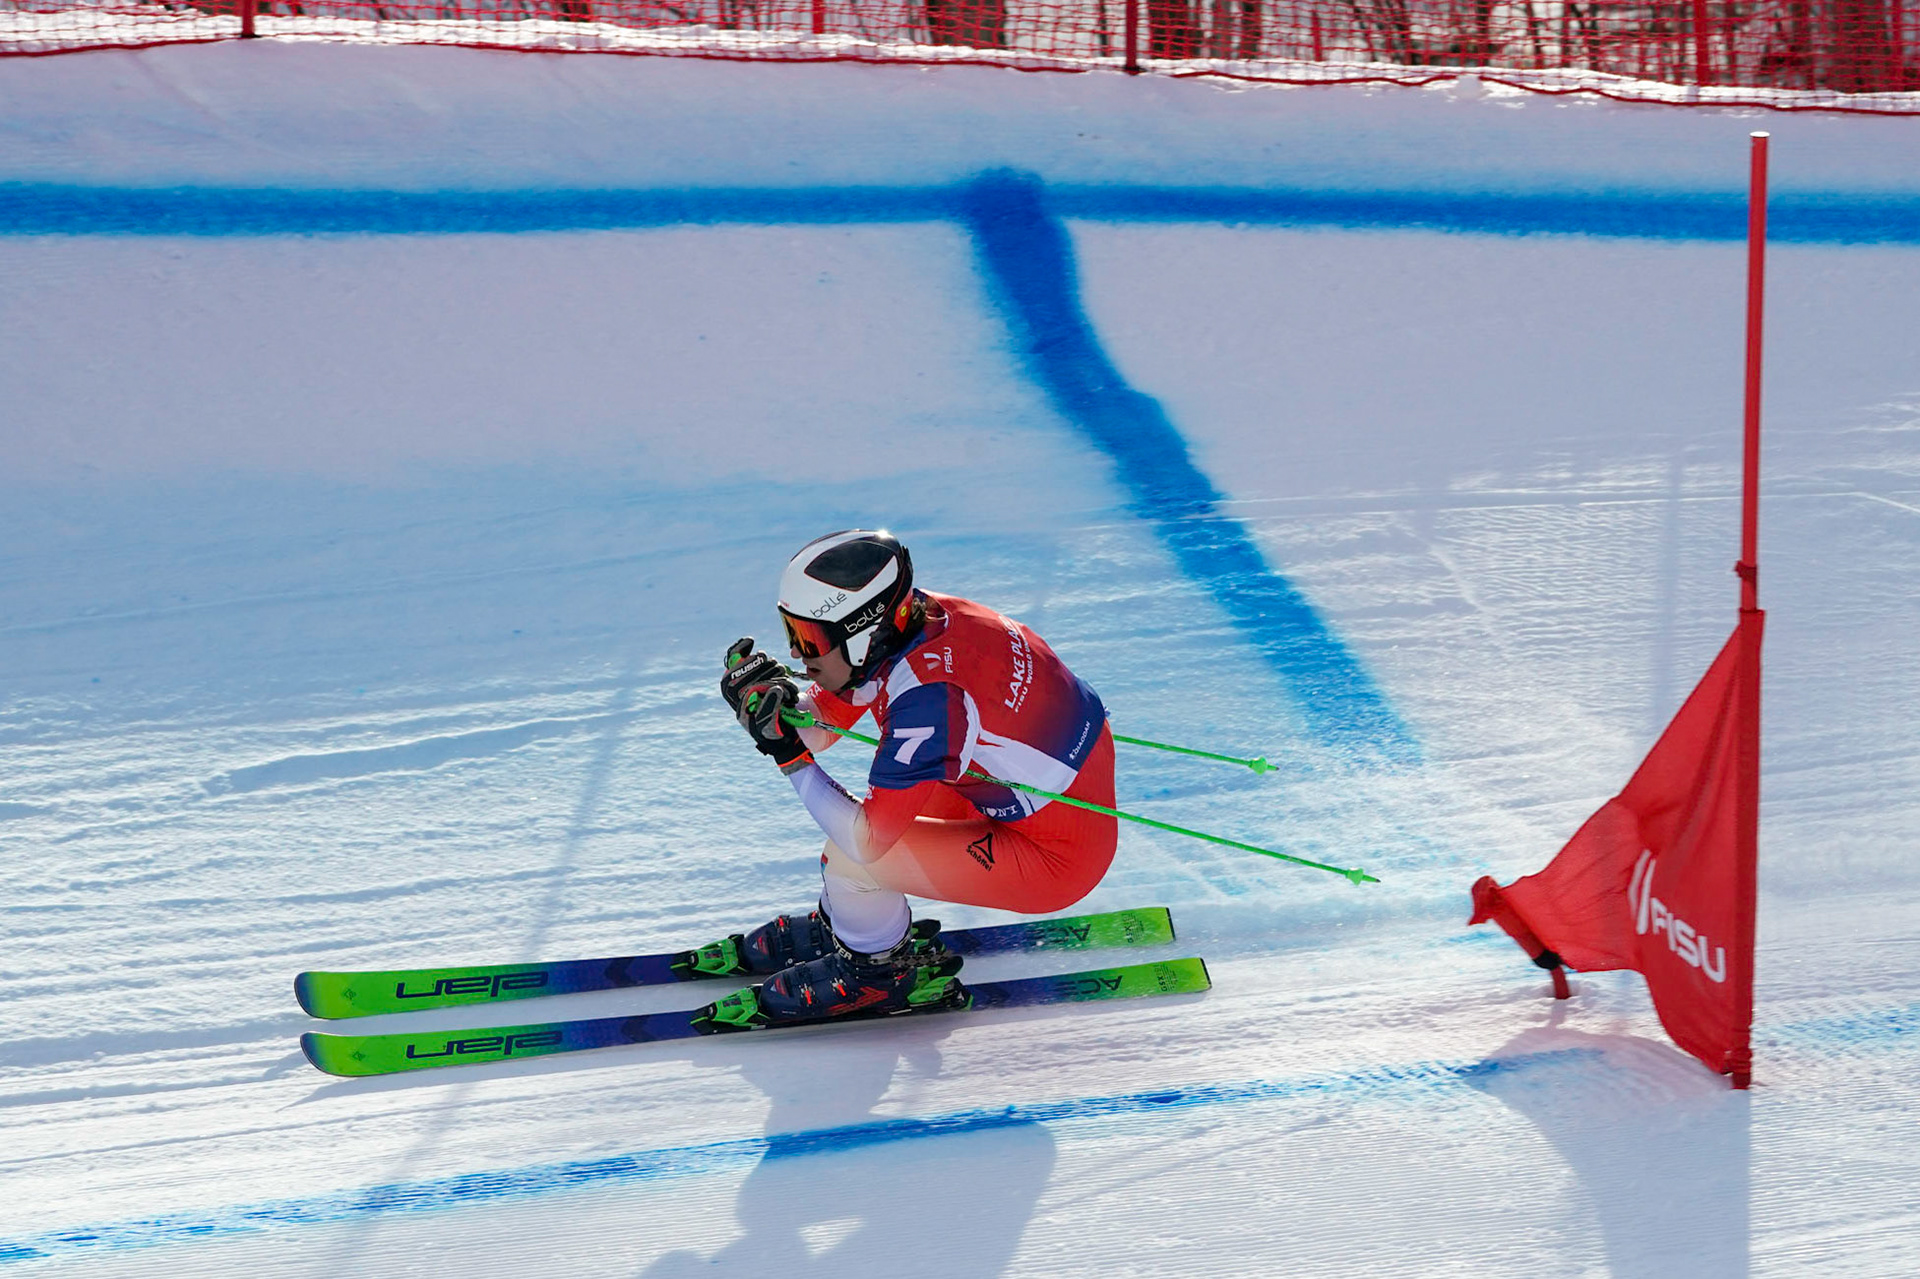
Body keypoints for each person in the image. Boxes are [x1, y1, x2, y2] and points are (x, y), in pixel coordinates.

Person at [715, 529, 1117, 1025]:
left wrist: (785, 754)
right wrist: (779, 709)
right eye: (792, 634)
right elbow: (828, 716)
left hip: (1056, 856)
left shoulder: (928, 699)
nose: (797, 656)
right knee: (887, 815)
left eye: (809, 639)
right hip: (1033, 792)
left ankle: (877, 973)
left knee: (851, 862)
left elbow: (866, 843)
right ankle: (857, 918)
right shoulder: (912, 623)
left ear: (861, 631)